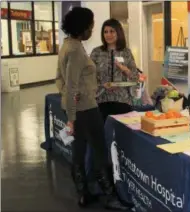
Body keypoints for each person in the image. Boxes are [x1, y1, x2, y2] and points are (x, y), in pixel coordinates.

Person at [55, 7, 128, 210]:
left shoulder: (67, 45)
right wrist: (71, 114)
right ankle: (110, 196)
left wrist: (68, 101)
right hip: (86, 109)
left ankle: (83, 194)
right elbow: (70, 86)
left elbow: (59, 80)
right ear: (82, 27)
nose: (92, 29)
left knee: (78, 151)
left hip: (76, 108)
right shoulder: (76, 51)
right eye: (91, 26)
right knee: (99, 152)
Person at [90, 18, 139, 123]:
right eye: (105, 32)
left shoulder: (126, 52)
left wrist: (125, 69)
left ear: (118, 32)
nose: (108, 35)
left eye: (112, 31)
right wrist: (103, 85)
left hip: (123, 101)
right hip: (101, 100)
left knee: (121, 135)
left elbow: (135, 77)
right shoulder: (96, 52)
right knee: (104, 135)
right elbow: (89, 77)